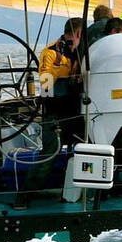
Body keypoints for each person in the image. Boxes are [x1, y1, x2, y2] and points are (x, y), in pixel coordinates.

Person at [32, 18, 84, 187]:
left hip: (76, 110)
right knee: (50, 153)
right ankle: (25, 195)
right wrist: (63, 71)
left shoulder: (81, 52)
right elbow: (46, 85)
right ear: (78, 33)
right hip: (56, 112)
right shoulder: (51, 53)